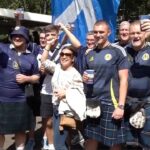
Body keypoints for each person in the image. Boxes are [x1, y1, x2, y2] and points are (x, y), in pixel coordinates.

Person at [83, 20, 129, 150]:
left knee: (113, 142)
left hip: (111, 103)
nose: (98, 35)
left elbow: (124, 80)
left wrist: (120, 106)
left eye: (101, 32)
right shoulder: (89, 53)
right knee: (91, 137)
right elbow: (87, 76)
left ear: (109, 32)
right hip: (93, 102)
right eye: (95, 32)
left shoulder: (118, 51)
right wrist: (84, 78)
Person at [40, 23, 81, 150]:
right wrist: (47, 46)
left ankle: (65, 145)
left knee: (65, 124)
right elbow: (44, 67)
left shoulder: (64, 48)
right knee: (49, 122)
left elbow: (78, 45)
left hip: (64, 95)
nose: (64, 56)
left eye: (53, 35)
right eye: (48, 35)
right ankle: (51, 145)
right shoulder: (41, 50)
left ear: (58, 36)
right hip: (48, 92)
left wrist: (64, 30)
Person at [0, 26, 39, 150]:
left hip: (21, 100)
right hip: (1, 99)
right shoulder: (3, 49)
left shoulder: (31, 57)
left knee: (20, 131)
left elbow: (37, 76)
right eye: (14, 35)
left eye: (21, 35)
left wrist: (28, 79)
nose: (17, 37)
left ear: (26, 38)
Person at [125, 20, 150, 149]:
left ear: (145, 34)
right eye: (132, 33)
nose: (136, 36)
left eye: (139, 33)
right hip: (128, 103)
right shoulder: (124, 51)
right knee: (130, 143)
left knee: (146, 142)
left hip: (147, 103)